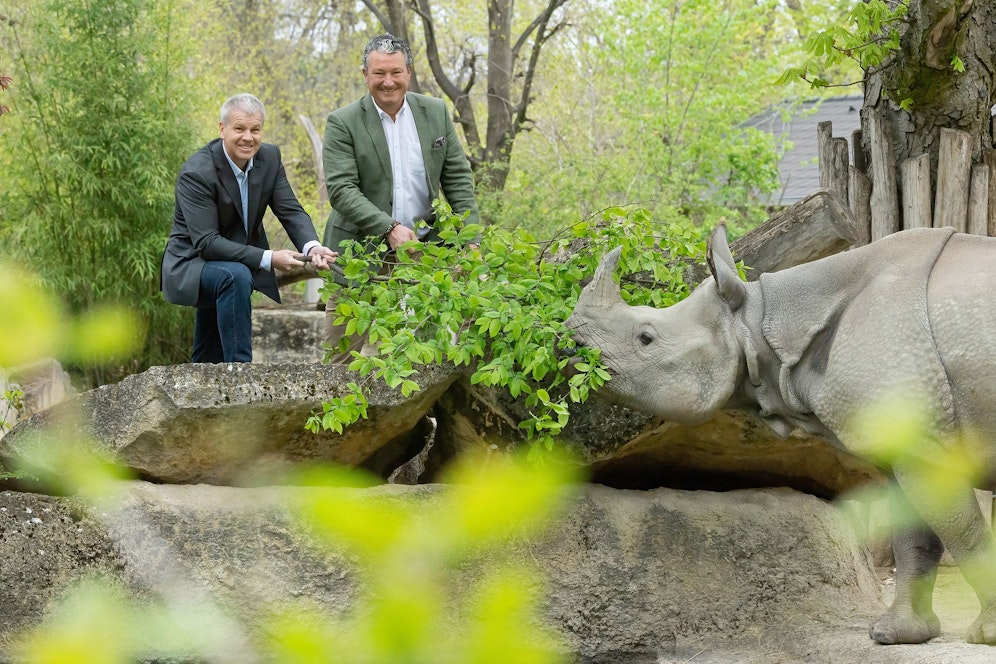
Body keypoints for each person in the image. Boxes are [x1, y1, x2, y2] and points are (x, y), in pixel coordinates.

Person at [322, 33, 479, 359]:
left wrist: (471, 239)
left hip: (423, 252)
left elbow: (459, 180)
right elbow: (341, 190)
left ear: (409, 71)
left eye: (396, 72)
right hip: (359, 254)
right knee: (340, 359)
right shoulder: (343, 122)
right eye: (379, 73)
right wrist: (389, 227)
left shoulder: (435, 112)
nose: (388, 82)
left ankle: (417, 413)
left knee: (419, 356)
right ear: (365, 74)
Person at [161, 93, 337, 363]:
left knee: (207, 357)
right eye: (239, 128)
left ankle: (203, 384)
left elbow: (290, 210)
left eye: (255, 130)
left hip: (231, 260)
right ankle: (242, 375)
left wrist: (312, 247)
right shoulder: (197, 172)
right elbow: (207, 242)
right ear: (222, 129)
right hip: (192, 262)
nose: (248, 137)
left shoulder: (269, 158)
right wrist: (268, 258)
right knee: (236, 277)